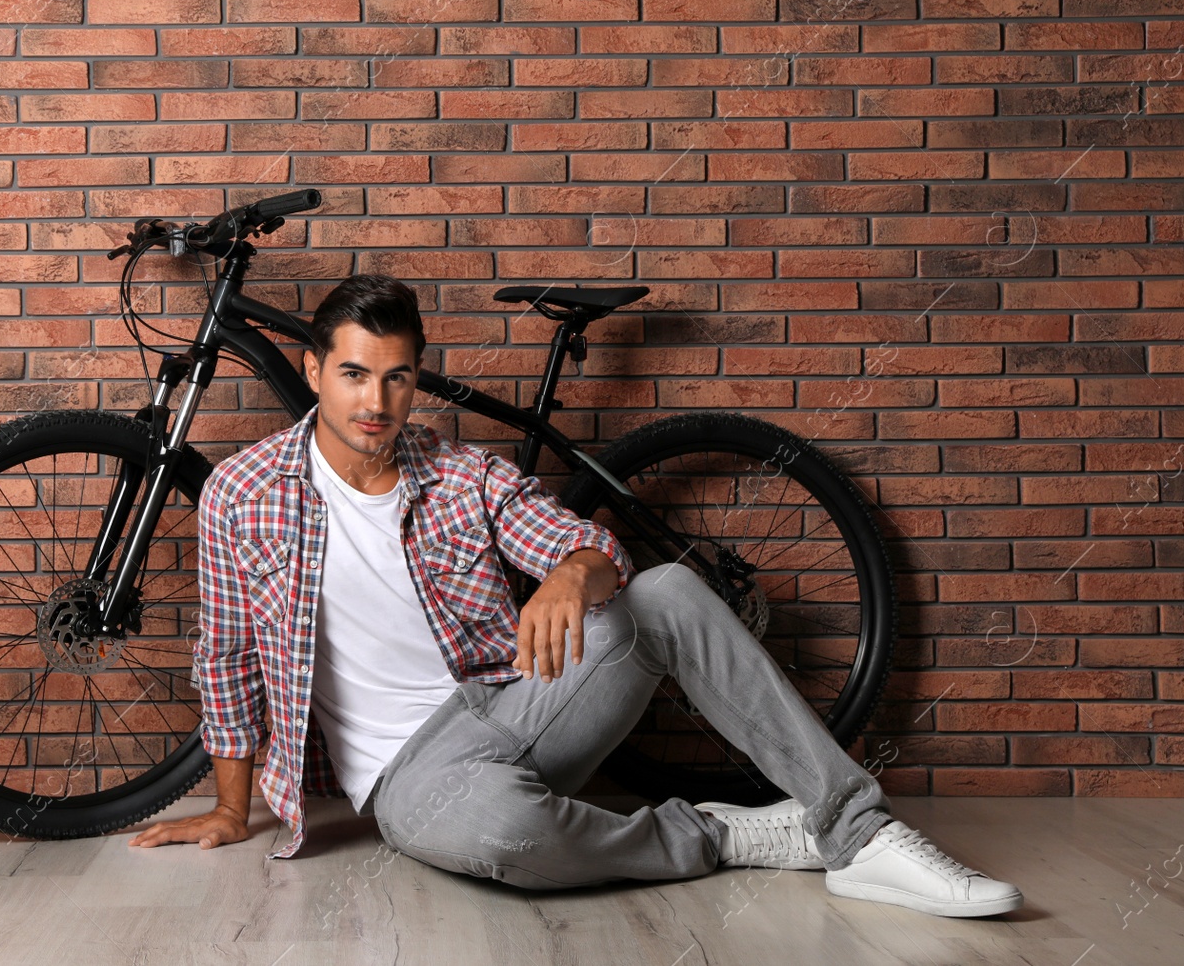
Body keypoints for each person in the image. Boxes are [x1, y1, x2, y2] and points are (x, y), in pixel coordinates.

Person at [131, 274, 1023, 919]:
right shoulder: (243, 494)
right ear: (316, 368)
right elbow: (229, 656)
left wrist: (570, 574)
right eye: (357, 374)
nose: (378, 400)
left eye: (398, 376)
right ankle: (731, 835)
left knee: (667, 588)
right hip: (410, 777)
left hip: (517, 704)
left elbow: (586, 546)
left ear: (416, 379)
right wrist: (230, 806)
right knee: (499, 833)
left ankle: (857, 832)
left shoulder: (461, 473)